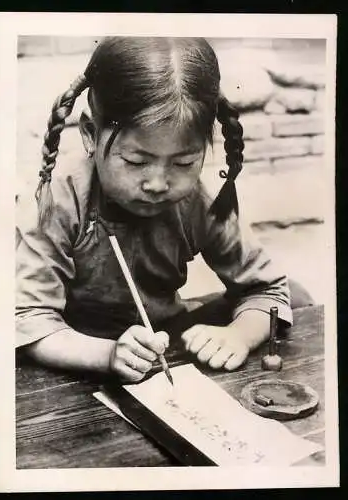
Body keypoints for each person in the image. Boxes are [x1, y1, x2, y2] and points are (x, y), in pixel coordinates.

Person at [16, 37, 309, 383]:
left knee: (296, 297)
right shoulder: (58, 200)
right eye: (137, 161)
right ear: (91, 134)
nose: (158, 183)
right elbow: (26, 317)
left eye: (184, 162)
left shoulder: (198, 201)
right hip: (77, 345)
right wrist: (107, 355)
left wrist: (238, 336)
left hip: (162, 336)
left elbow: (266, 289)